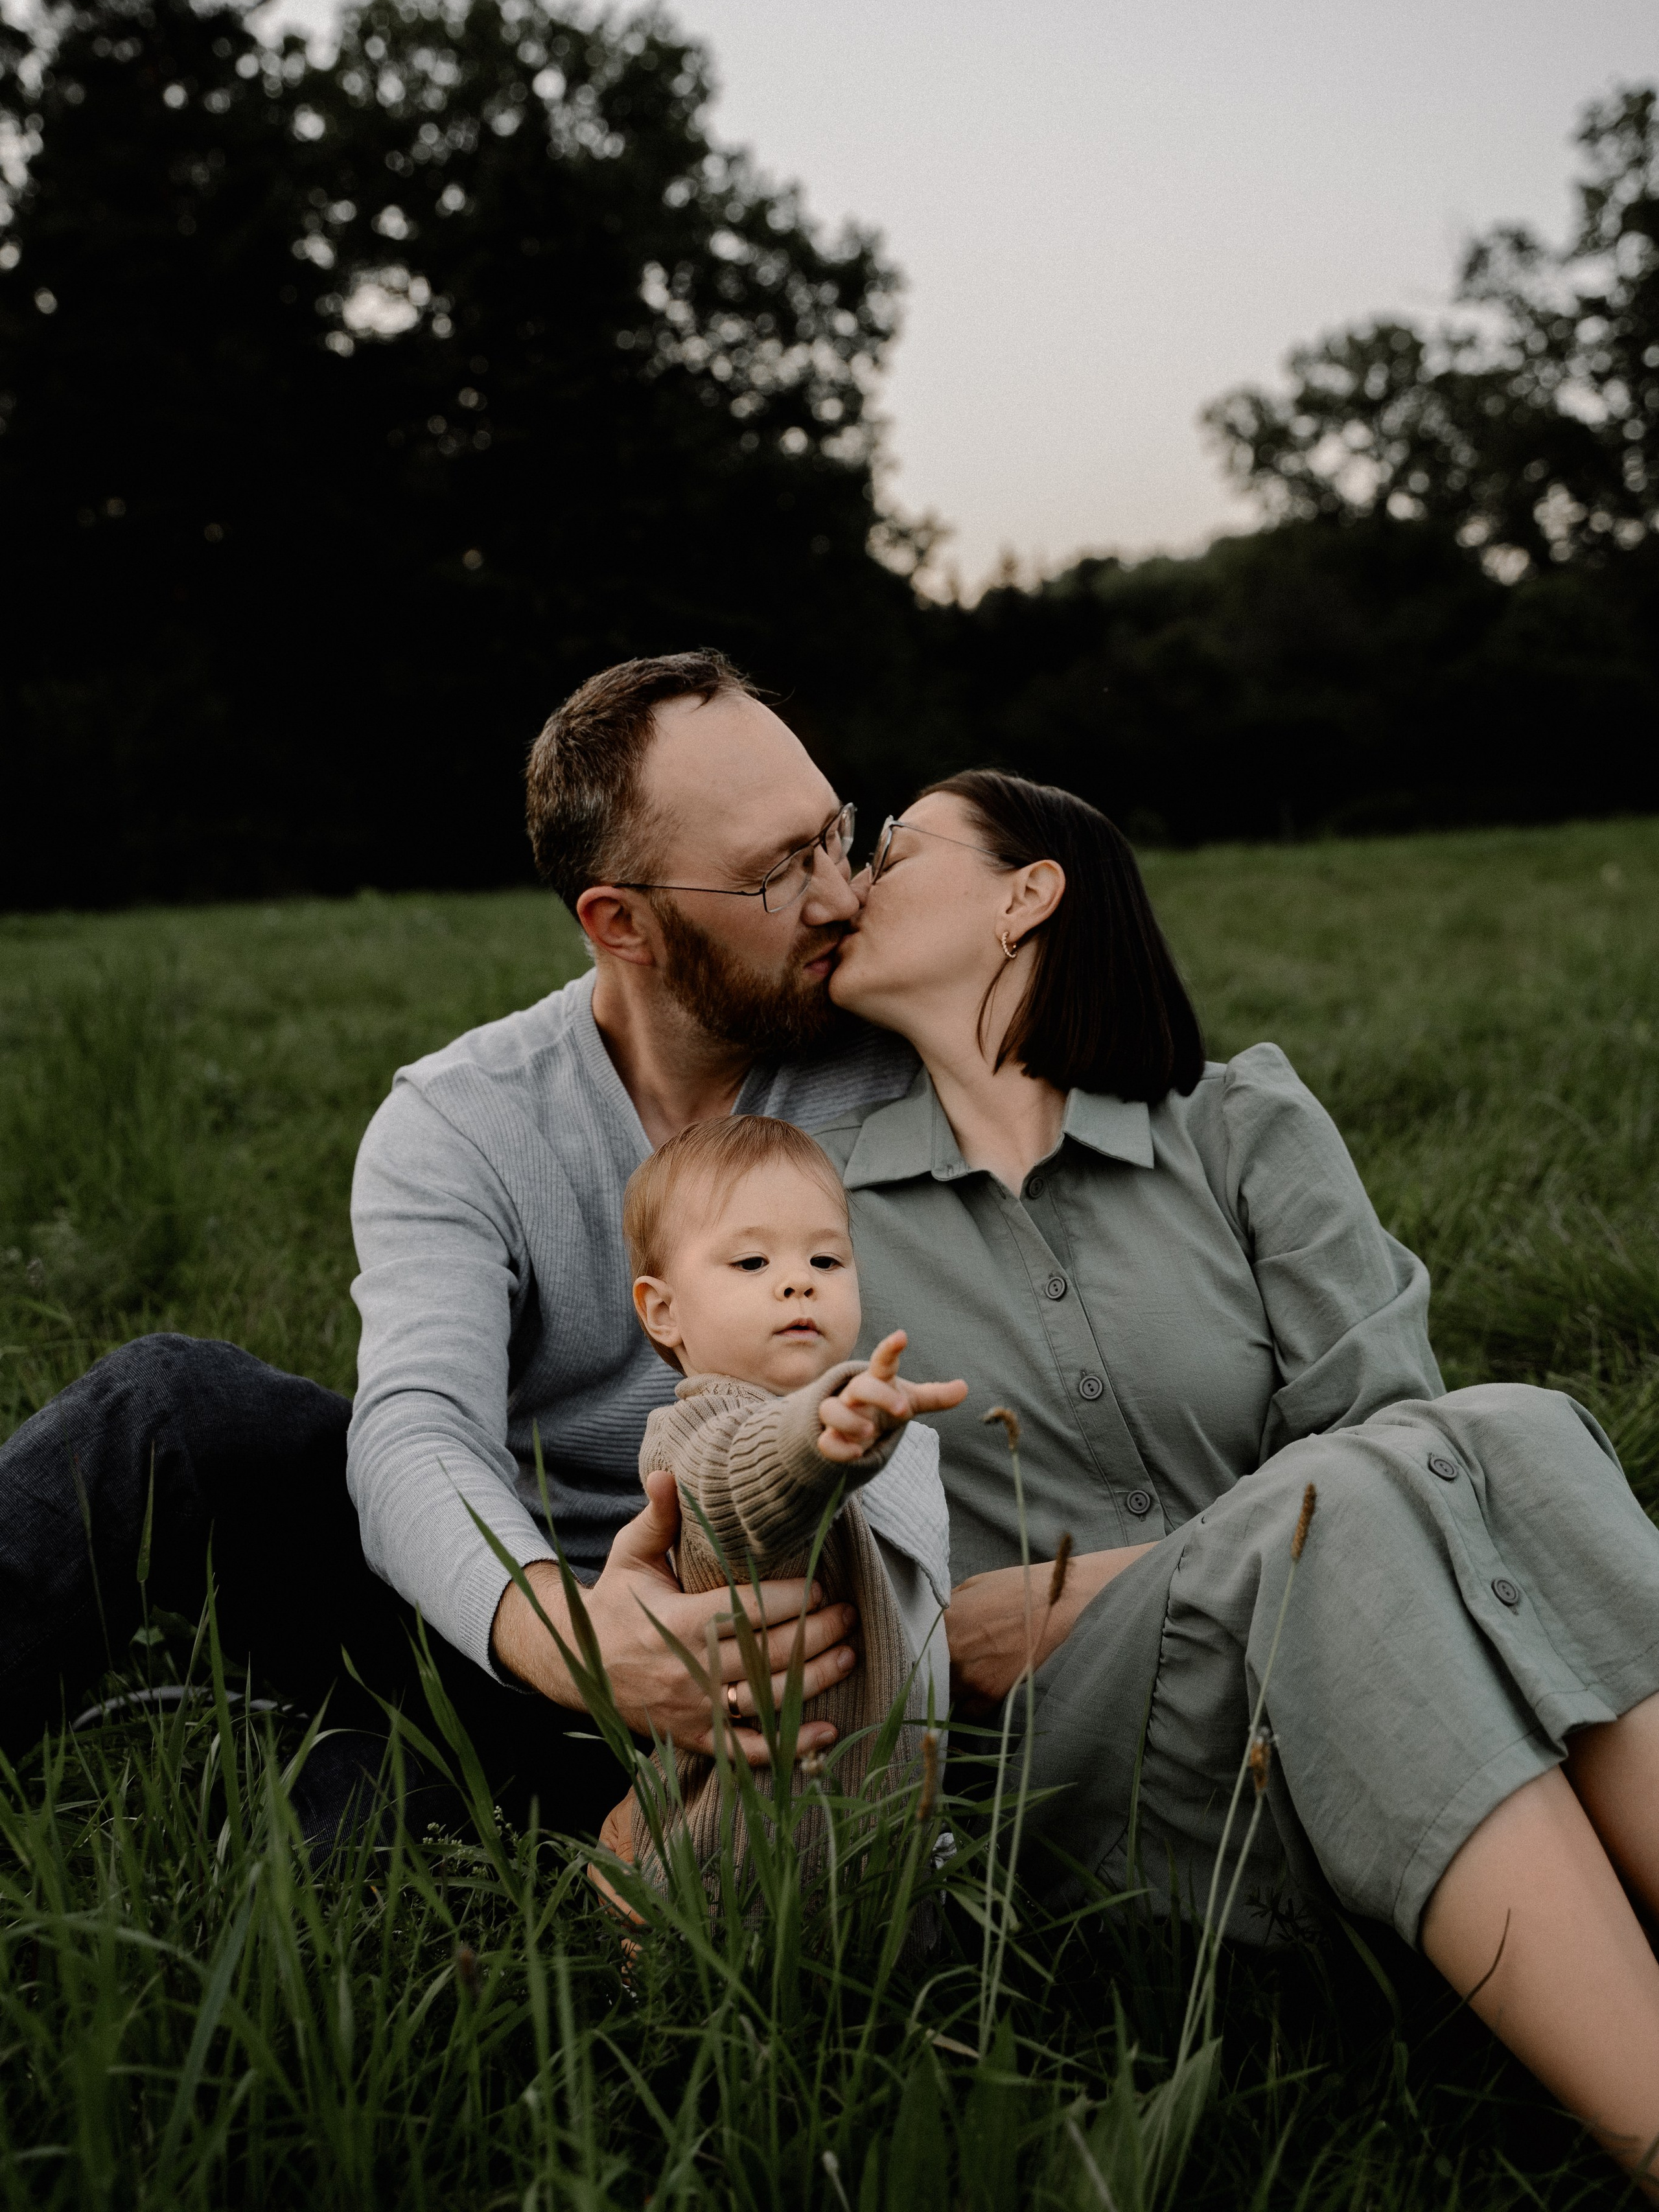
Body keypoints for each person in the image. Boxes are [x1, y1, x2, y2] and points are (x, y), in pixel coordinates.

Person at [808, 765, 1659, 2192]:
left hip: (1376, 1691)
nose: (854, 882)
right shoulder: (812, 1213)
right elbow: (875, 1593)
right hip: (1091, 1787)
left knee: (1499, 1429)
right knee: (1370, 1493)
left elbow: (1405, 1442)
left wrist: (1084, 1586)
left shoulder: (1236, 1125)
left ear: (1028, 895)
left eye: (894, 848)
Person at [0, 651, 915, 1826]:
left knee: (357, 1836)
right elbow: (415, 1431)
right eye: (776, 875)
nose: (837, 895)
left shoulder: (893, 1057)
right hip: (517, 1624)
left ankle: (409, 1784)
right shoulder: (465, 1115)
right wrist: (575, 1641)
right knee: (172, 1405)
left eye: (832, 836)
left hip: (808, 1651)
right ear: (621, 923)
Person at [600, 1111, 960, 1891]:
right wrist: (813, 1439)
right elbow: (733, 1491)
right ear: (663, 1310)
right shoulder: (692, 1433)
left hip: (889, 1832)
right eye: (752, 1261)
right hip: (746, 1858)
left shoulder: (874, 1432)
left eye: (826, 1258)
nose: (798, 1280)